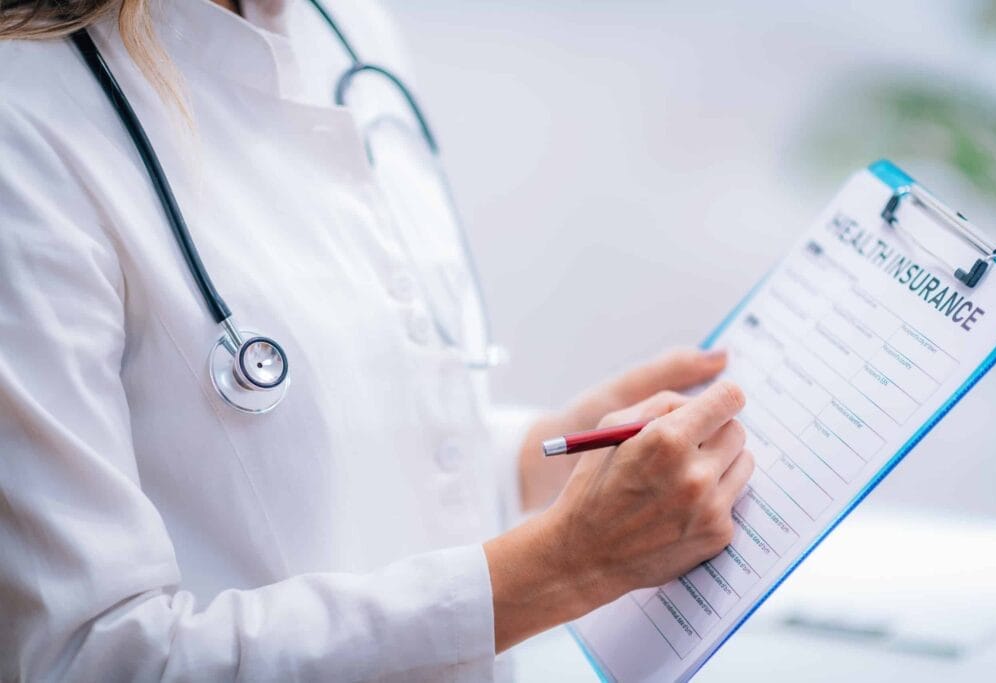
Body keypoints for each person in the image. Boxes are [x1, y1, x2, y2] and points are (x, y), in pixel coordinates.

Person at [0, 0, 754, 680]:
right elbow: (86, 657)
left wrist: (536, 458)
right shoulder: (22, 129)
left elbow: (292, 460)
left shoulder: (345, 26)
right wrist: (561, 567)